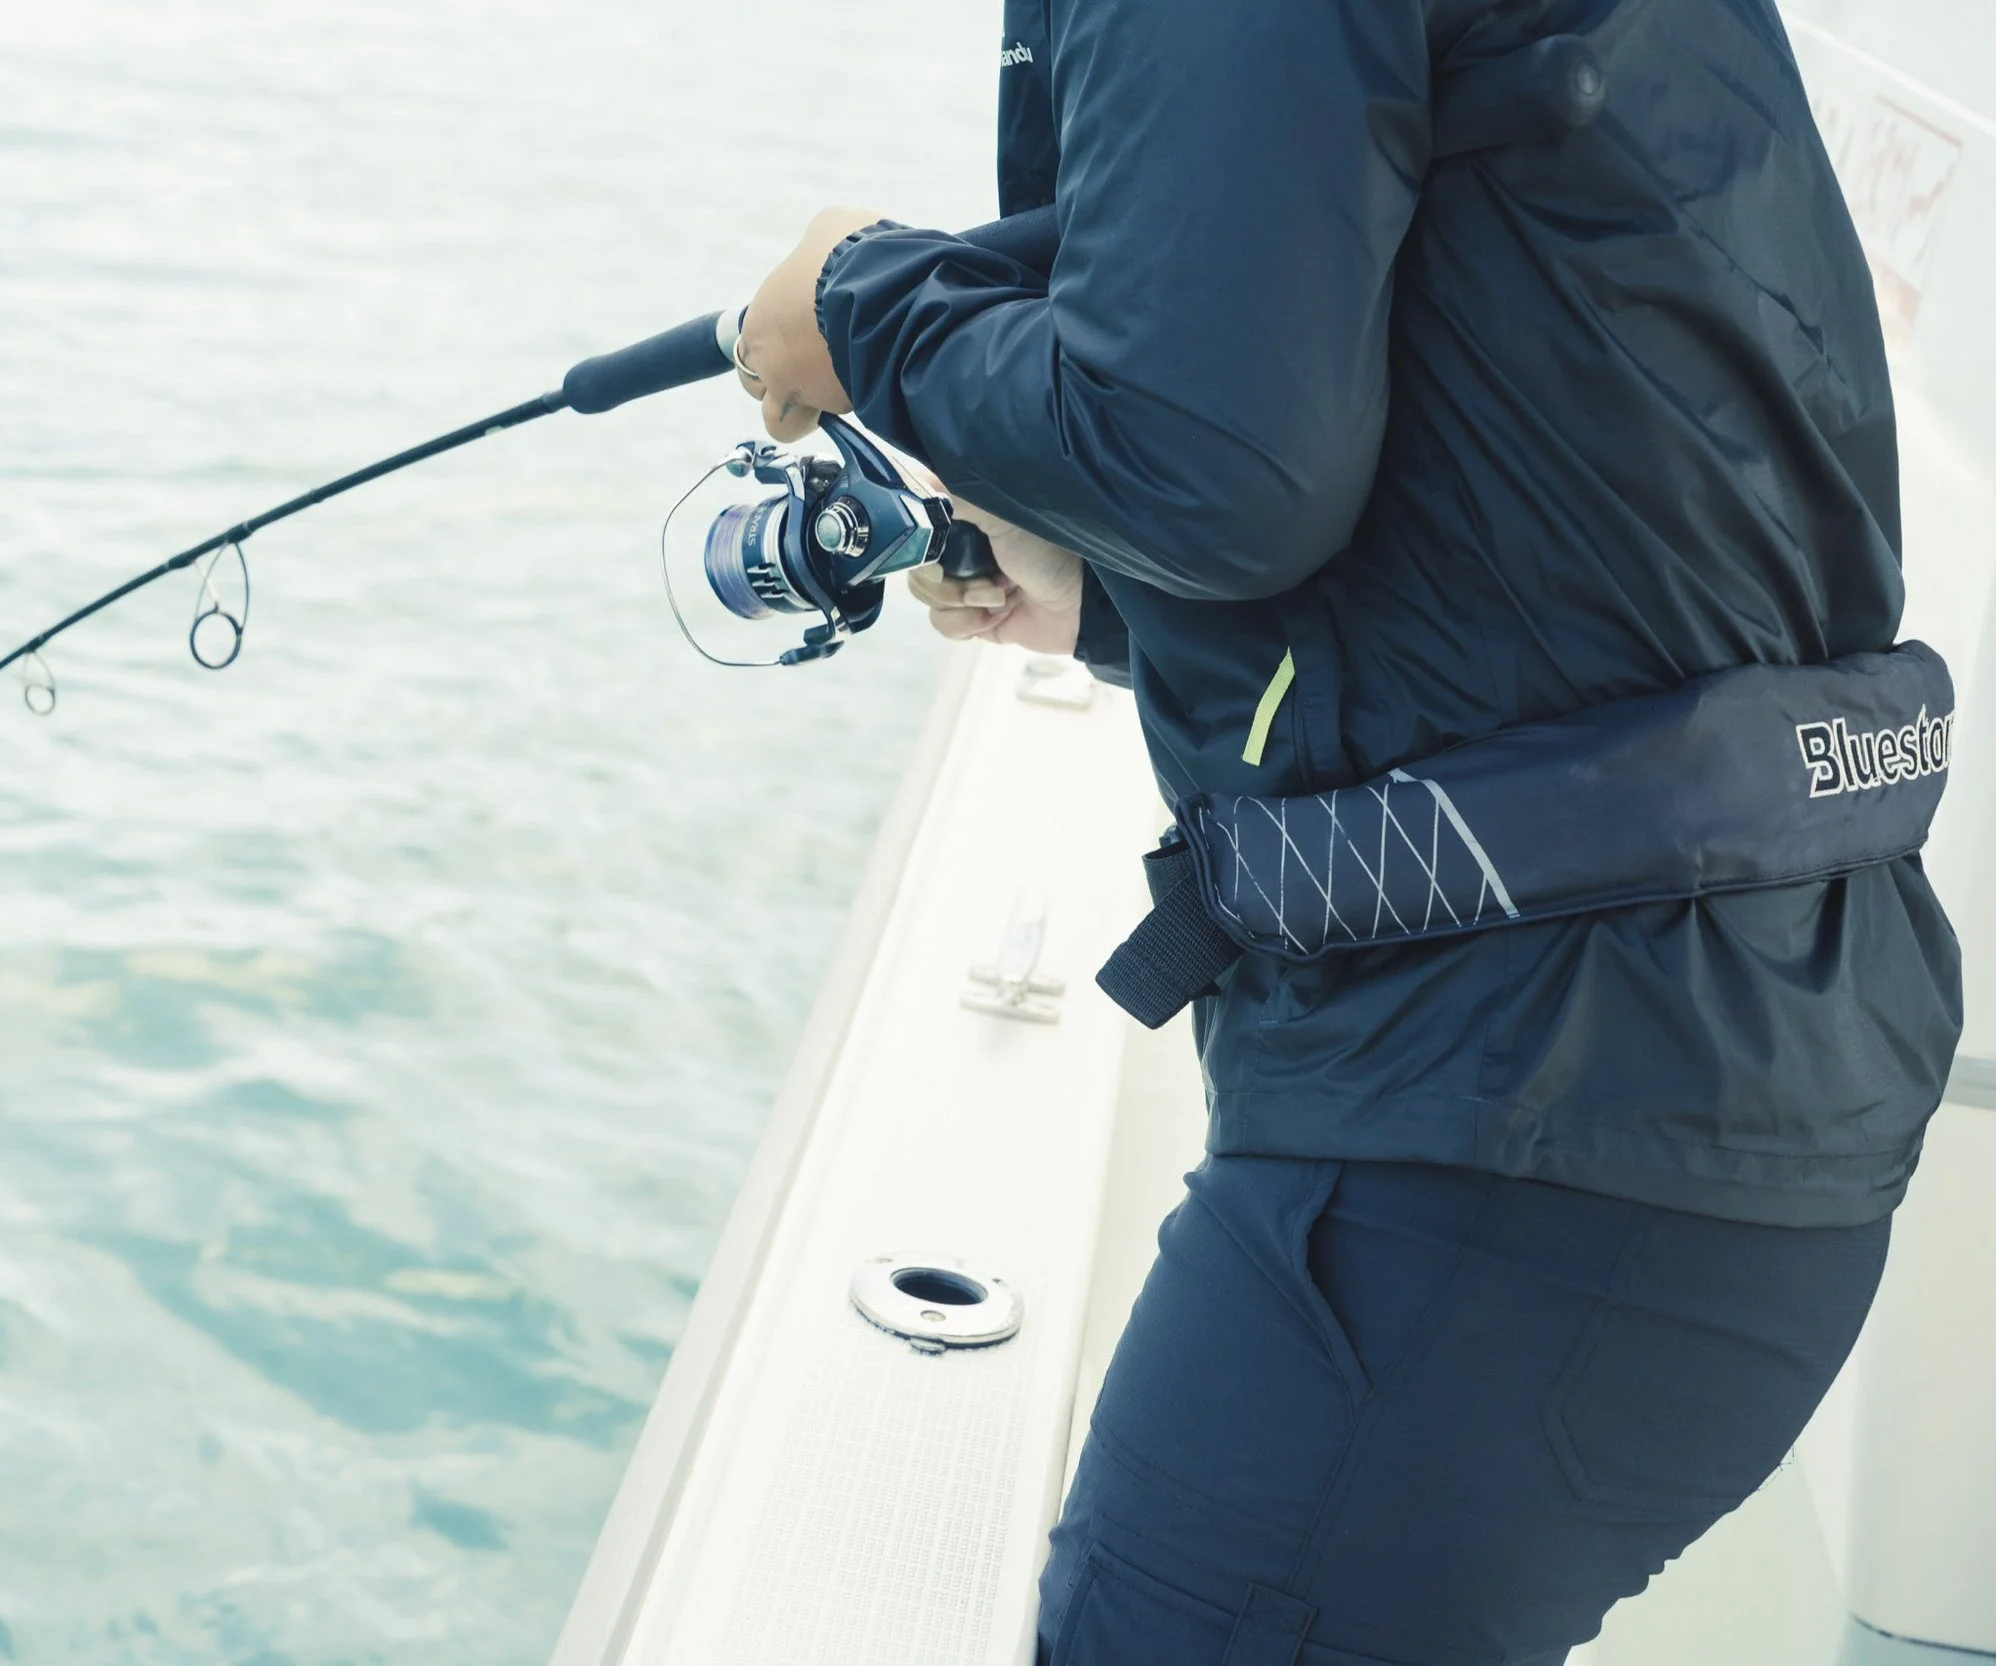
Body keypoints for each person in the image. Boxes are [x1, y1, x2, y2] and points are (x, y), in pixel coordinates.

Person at [732, 2, 1964, 1662]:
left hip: (1511, 1157)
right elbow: (1572, 444)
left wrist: (850, 300)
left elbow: (1216, 464)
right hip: (1714, 1103)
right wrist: (1109, 605)